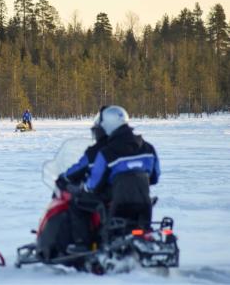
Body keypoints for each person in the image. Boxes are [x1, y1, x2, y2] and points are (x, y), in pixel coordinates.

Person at [84, 105, 160, 230]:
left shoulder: (106, 153)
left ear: (107, 125)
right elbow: (155, 177)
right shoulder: (148, 149)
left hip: (116, 210)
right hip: (144, 208)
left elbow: (94, 184)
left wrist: (86, 186)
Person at [54, 106, 110, 251]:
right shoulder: (139, 147)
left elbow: (82, 171)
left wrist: (64, 178)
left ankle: (81, 244)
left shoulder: (99, 152)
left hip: (106, 196)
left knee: (76, 203)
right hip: (136, 199)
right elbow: (154, 176)